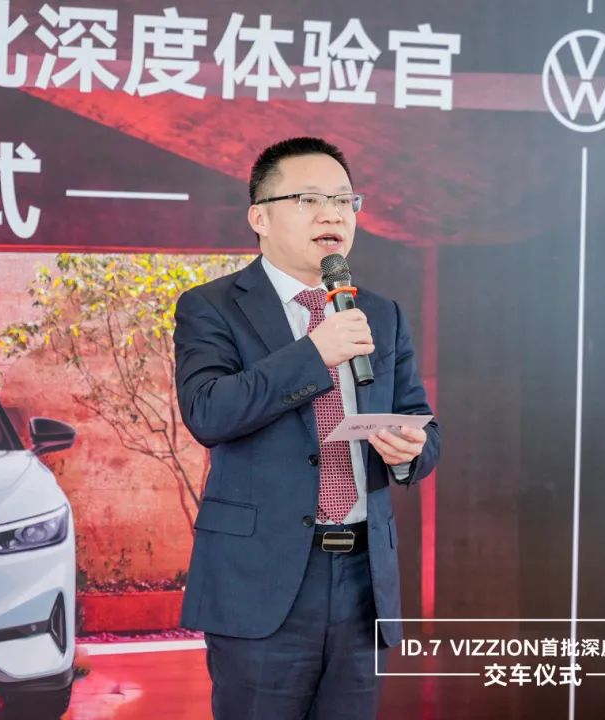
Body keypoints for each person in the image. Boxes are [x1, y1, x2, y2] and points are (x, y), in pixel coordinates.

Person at [173, 137, 440, 720]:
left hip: (363, 581)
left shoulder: (381, 313)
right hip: (261, 581)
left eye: (344, 200)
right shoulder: (213, 306)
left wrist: (409, 451)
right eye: (310, 199)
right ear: (260, 218)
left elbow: (421, 421)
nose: (332, 215)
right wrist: (314, 354)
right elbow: (208, 411)